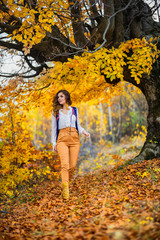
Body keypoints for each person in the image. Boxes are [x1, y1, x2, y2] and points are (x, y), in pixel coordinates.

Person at [51, 90, 90, 200]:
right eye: (58, 97)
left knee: (72, 166)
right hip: (62, 139)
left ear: (66, 97)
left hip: (74, 138)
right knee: (65, 165)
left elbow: (78, 125)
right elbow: (53, 128)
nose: (59, 98)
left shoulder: (74, 110)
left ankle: (67, 183)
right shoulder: (55, 112)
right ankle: (66, 192)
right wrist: (54, 142)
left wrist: (84, 132)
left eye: (61, 96)